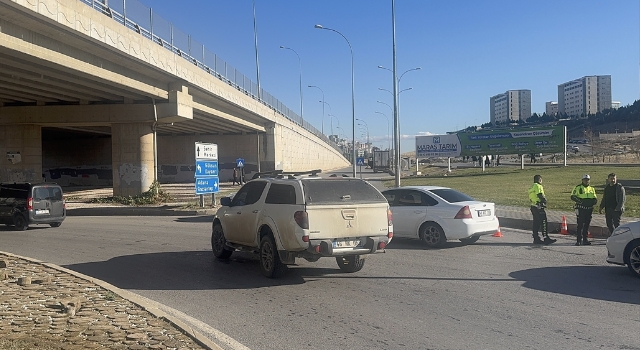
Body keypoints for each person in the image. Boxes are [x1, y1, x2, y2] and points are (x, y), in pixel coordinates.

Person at [528, 175, 556, 245]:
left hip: (533, 206)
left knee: (536, 223)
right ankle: (546, 238)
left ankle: (536, 238)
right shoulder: (538, 186)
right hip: (539, 207)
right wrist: (544, 200)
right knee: (544, 222)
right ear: (540, 180)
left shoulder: (531, 187)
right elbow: (540, 194)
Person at [571, 174, 598, 246]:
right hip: (581, 209)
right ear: (582, 180)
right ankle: (579, 240)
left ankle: (585, 239)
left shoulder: (592, 189)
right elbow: (573, 196)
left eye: (588, 180)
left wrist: (594, 201)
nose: (587, 181)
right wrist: (581, 202)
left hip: (589, 209)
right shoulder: (578, 187)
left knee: (587, 224)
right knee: (580, 224)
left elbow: (595, 198)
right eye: (585, 180)